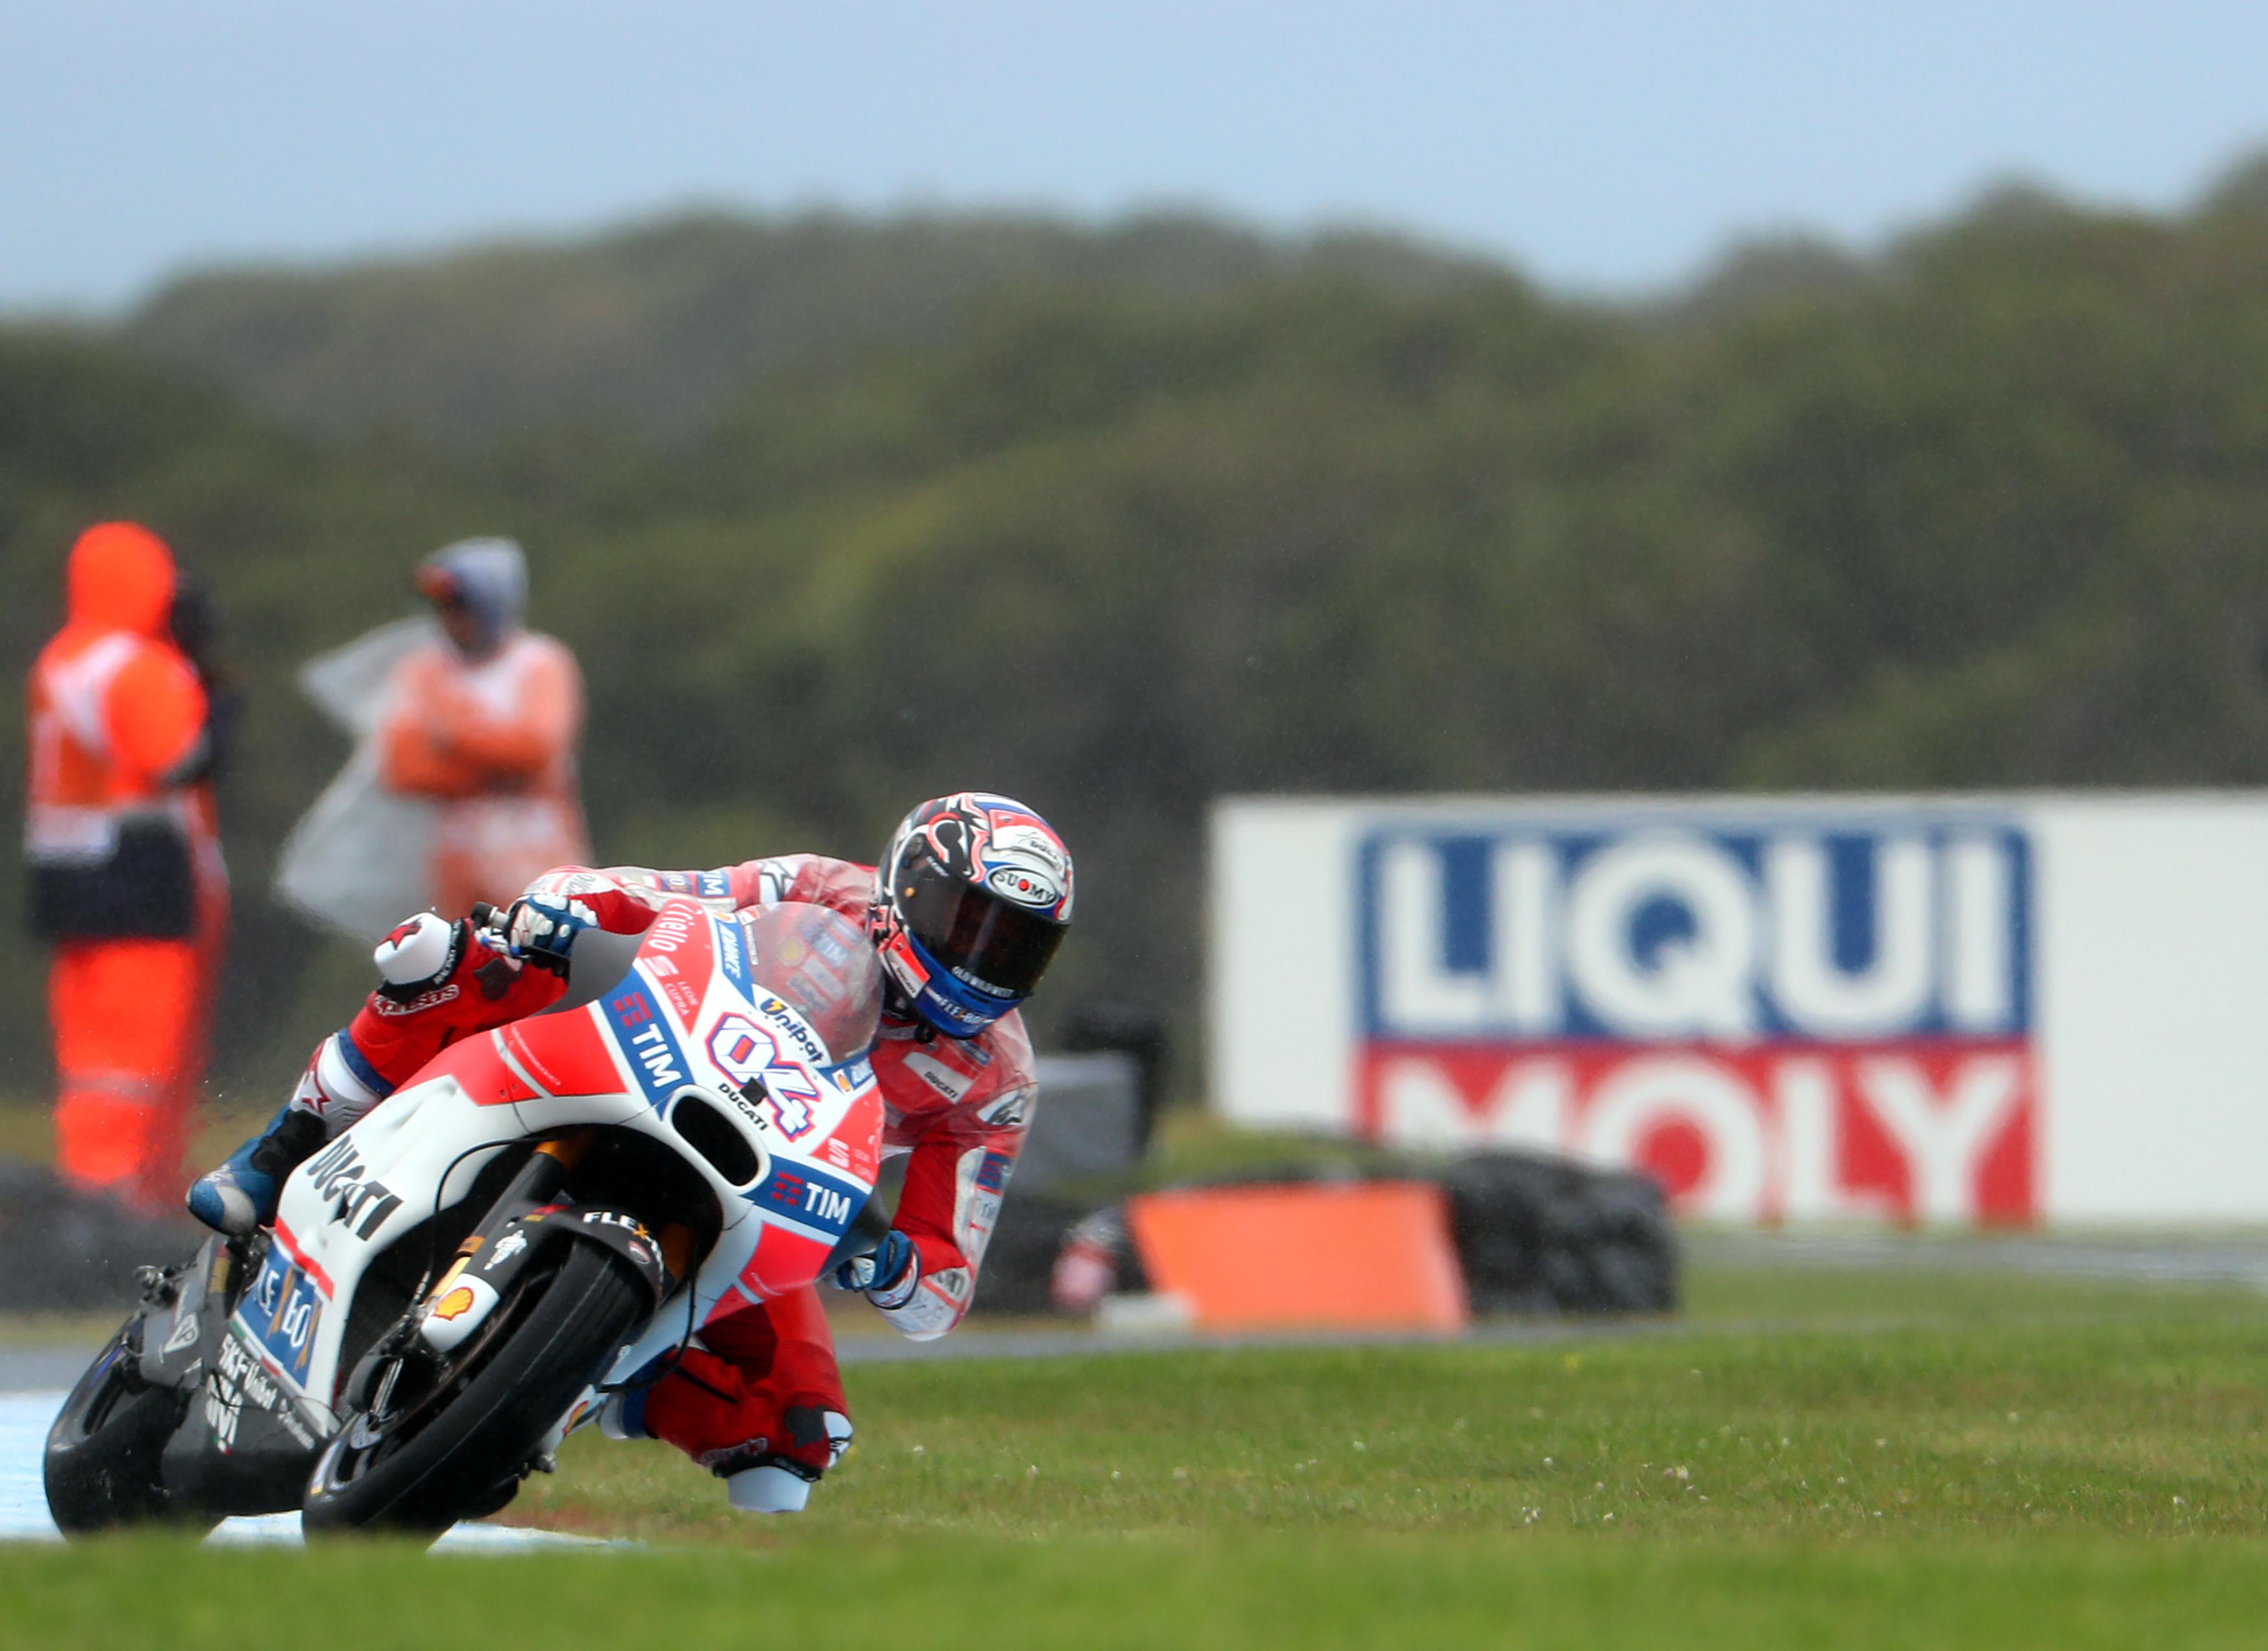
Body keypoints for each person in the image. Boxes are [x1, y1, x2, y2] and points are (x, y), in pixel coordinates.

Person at [189, 791, 1073, 1513]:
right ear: (906, 890)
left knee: (799, 1436)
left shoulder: (997, 1082)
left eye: (1016, 944)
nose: (983, 960)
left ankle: (593, 1381)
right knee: (459, 956)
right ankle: (284, 1146)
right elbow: (665, 895)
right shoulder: (822, 890)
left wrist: (889, 1265)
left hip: (771, 1188)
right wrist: (570, 907)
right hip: (647, 1057)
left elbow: (945, 1289)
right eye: (969, 922)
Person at [25, 523, 229, 1211]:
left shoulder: (62, 657)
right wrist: (209, 698)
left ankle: (93, 1189)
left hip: (70, 881)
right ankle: (122, 1202)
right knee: (142, 1057)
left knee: (90, 1059)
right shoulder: (136, 666)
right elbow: (176, 758)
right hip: (139, 882)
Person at [376, 537, 588, 917]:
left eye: (462, 607)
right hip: (459, 851)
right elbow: (404, 769)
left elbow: (537, 751)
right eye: (443, 608)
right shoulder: (423, 671)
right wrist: (495, 766)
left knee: (548, 953)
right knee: (463, 963)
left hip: (537, 844)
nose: (451, 620)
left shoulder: (540, 662)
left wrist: (451, 737)